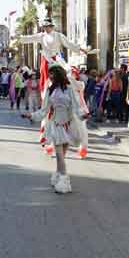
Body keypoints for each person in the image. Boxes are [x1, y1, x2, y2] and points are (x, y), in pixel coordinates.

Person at [34, 63, 88, 194]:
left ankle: (58, 175)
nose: (50, 76)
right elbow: (44, 110)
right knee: (59, 154)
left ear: (58, 74)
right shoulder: (50, 90)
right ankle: (64, 181)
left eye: (52, 73)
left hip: (69, 125)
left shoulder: (69, 89)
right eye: (49, 74)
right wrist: (31, 115)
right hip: (56, 124)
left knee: (61, 155)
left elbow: (76, 106)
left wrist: (83, 115)